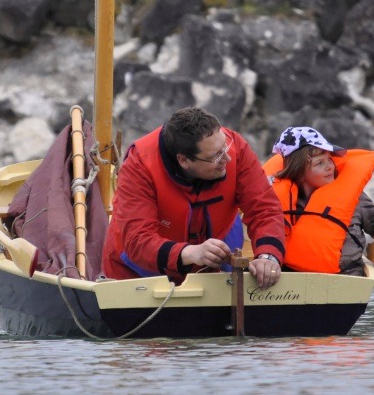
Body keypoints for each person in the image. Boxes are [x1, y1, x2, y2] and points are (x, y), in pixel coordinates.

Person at [102, 106, 286, 288]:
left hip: (215, 264)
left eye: (225, 148)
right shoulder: (139, 166)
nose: (227, 159)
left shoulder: (235, 147)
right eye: (216, 156)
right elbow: (137, 239)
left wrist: (268, 256)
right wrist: (189, 253)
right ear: (184, 161)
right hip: (140, 273)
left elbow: (265, 209)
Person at [263, 126, 374, 276]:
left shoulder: (354, 197)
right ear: (298, 172)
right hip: (293, 275)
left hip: (348, 274)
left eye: (329, 160)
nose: (329, 167)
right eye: (319, 163)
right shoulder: (279, 200)